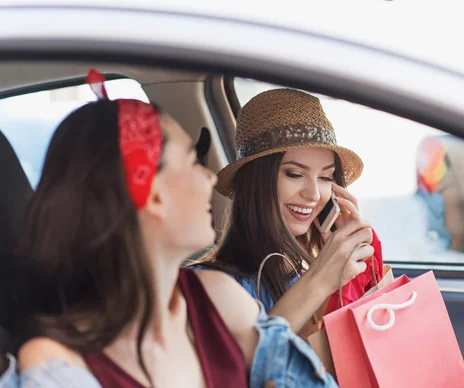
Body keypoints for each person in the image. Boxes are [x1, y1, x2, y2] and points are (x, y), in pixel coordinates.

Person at [14, 71, 338, 387]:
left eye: (325, 176)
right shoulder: (57, 366)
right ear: (153, 194)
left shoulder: (219, 299)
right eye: (193, 161)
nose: (210, 178)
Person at [192, 88, 383, 337]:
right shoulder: (205, 286)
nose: (314, 194)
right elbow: (239, 369)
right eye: (294, 174)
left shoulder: (309, 273)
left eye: (325, 177)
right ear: (255, 182)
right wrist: (320, 280)